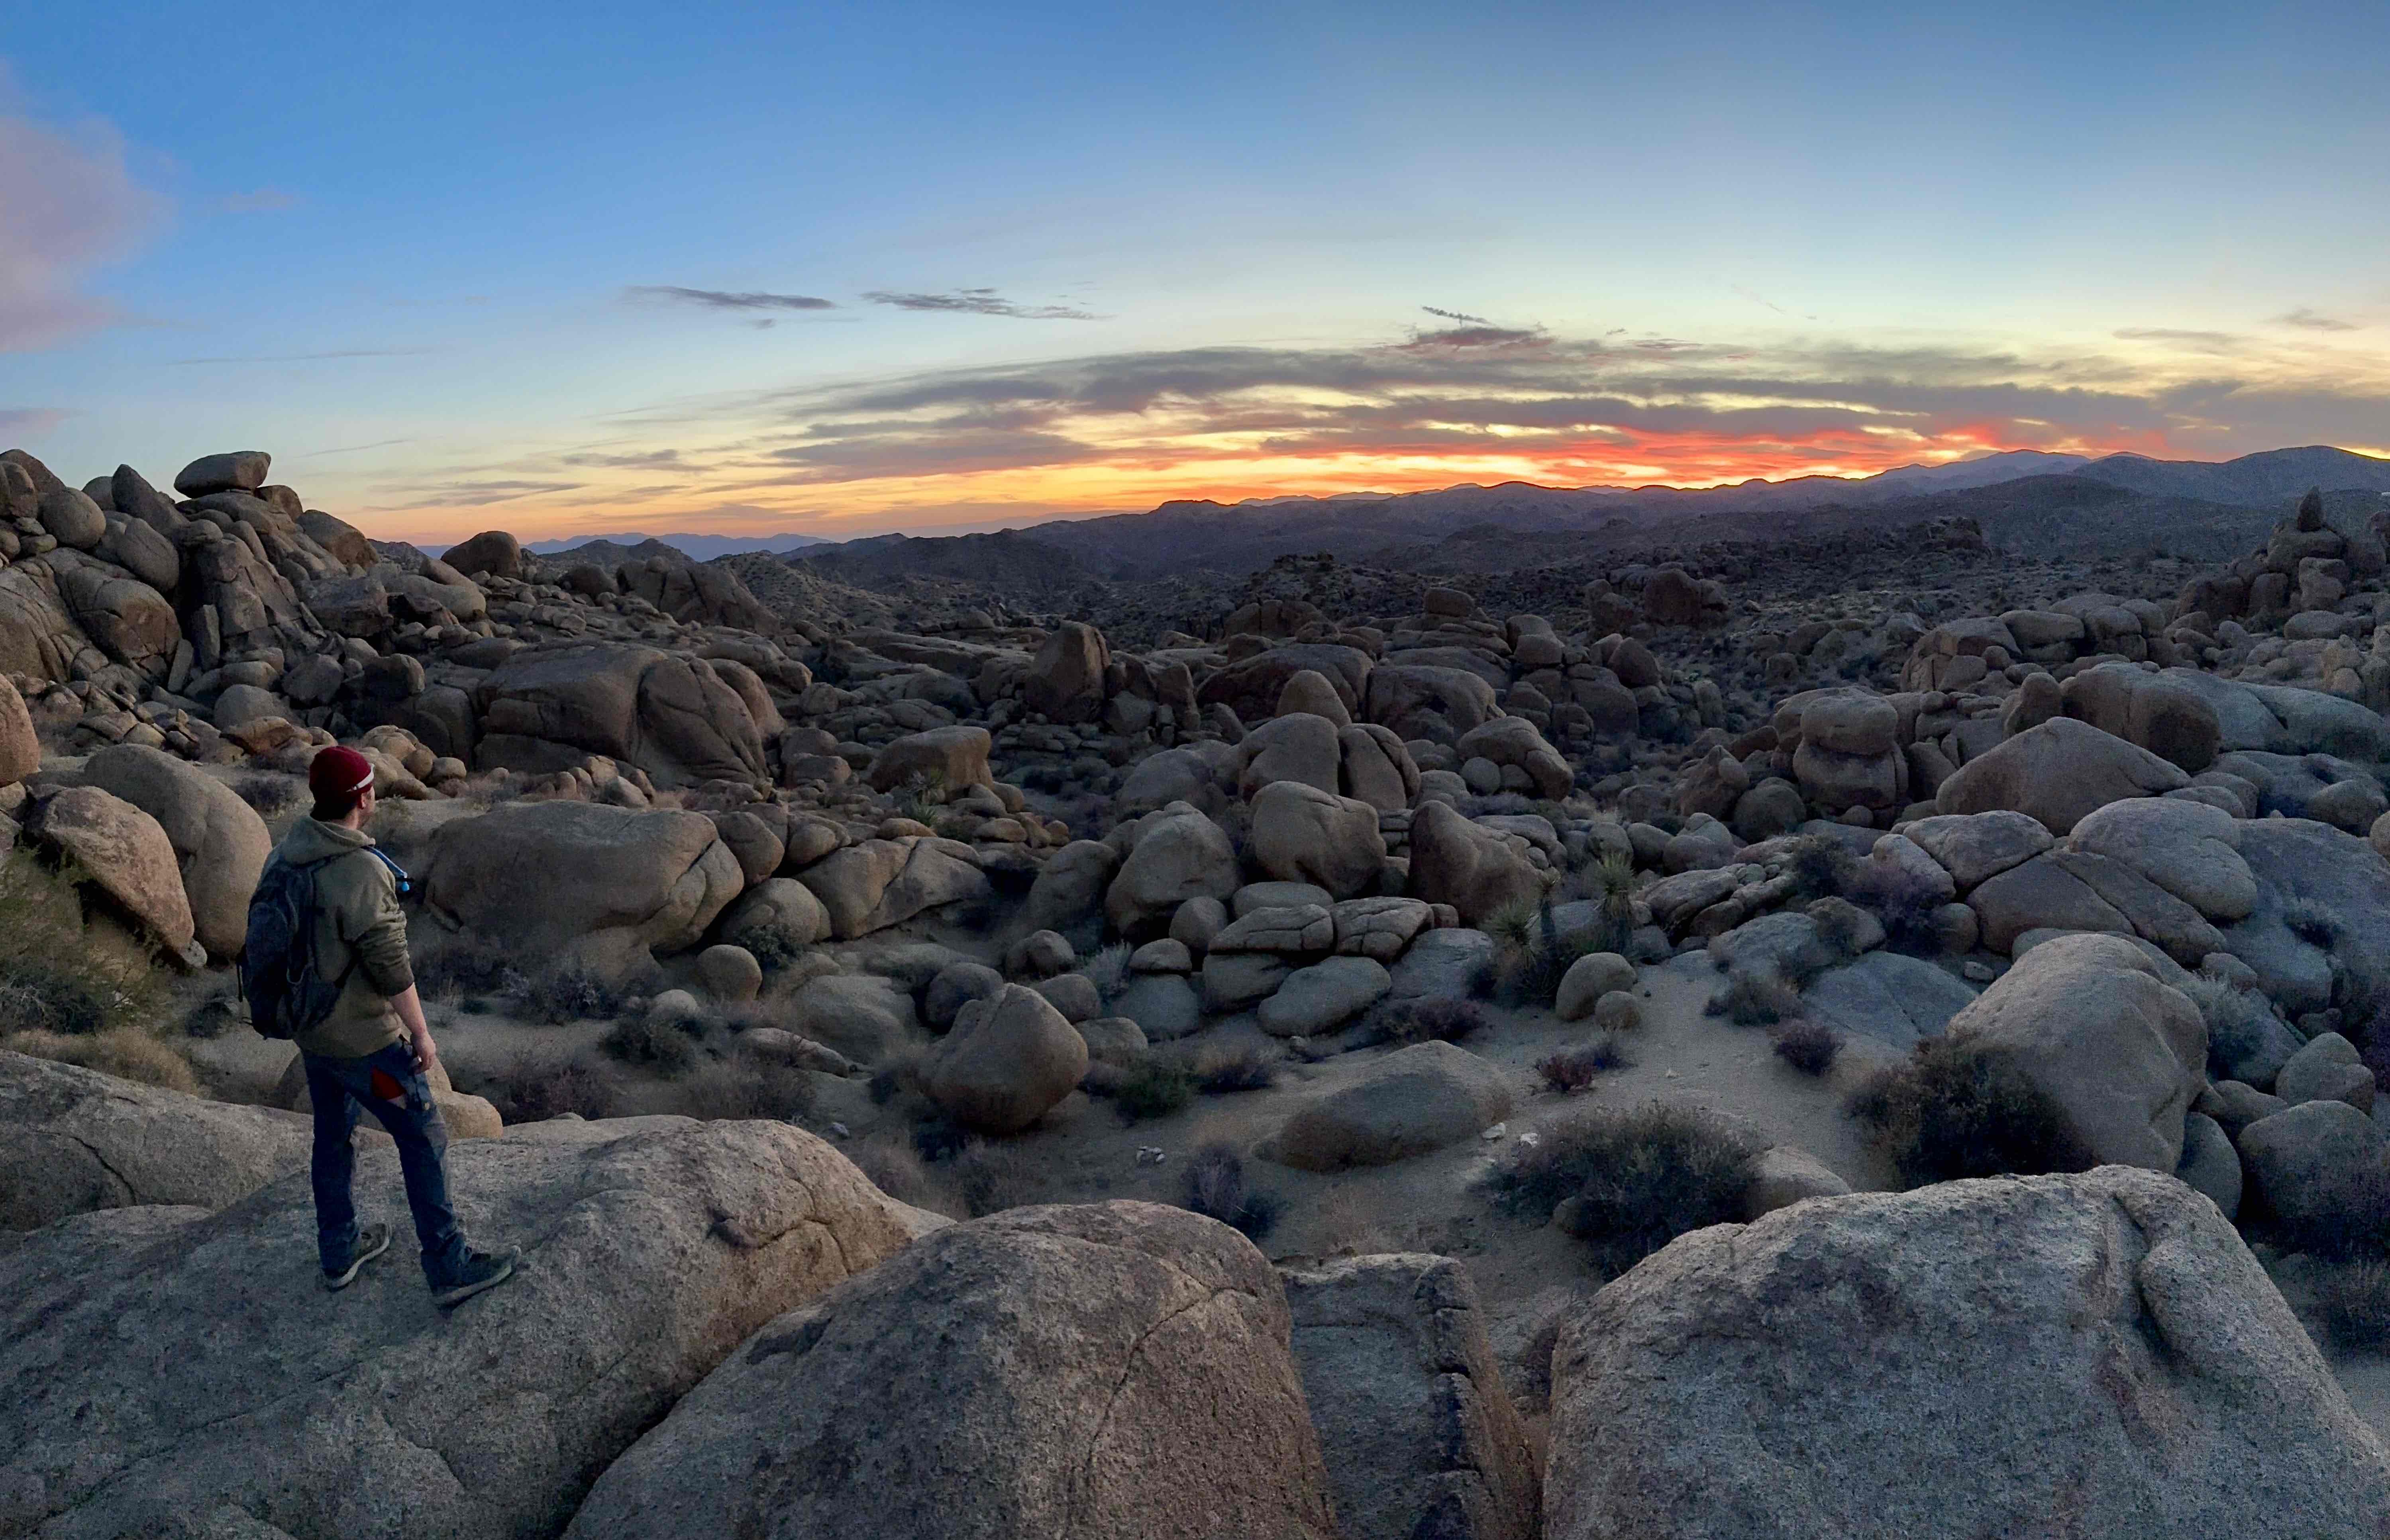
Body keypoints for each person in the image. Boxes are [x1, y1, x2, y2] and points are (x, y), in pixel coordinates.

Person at [275, 744, 518, 1307]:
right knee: (423, 1132)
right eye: (371, 787)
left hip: (313, 1034)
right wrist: (423, 1033)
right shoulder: (358, 870)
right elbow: (390, 964)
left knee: (332, 1135)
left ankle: (338, 1251)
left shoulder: (289, 852)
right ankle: (448, 1263)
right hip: (365, 1046)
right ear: (363, 797)